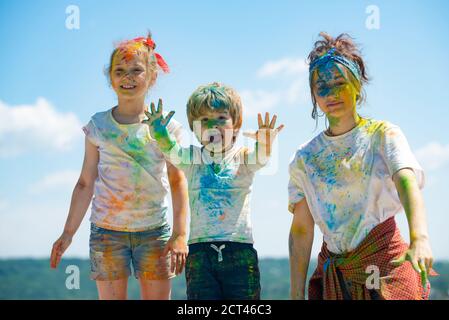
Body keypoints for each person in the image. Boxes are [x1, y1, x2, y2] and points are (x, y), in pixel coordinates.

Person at [288, 32, 436, 300]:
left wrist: (420, 239)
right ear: (313, 95)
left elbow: (406, 183)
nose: (331, 92)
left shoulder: (382, 135)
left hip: (386, 267)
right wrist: (296, 292)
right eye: (321, 85)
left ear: (357, 85)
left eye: (339, 81)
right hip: (336, 275)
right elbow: (301, 228)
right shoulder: (305, 158)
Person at [50, 33, 189, 300]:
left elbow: (177, 180)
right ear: (110, 78)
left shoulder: (166, 128)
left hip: (153, 233)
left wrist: (180, 234)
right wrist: (68, 233)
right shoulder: (98, 126)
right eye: (120, 71)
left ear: (152, 76)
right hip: (106, 233)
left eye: (136, 70)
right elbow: (85, 183)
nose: (128, 77)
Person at [143, 82, 284, 299]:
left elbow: (261, 158)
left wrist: (265, 142)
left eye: (221, 118)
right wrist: (160, 132)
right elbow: (172, 151)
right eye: (204, 120)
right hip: (200, 252)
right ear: (194, 128)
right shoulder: (192, 159)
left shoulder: (243, 158)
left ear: (235, 124)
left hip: (239, 249)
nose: (213, 126)